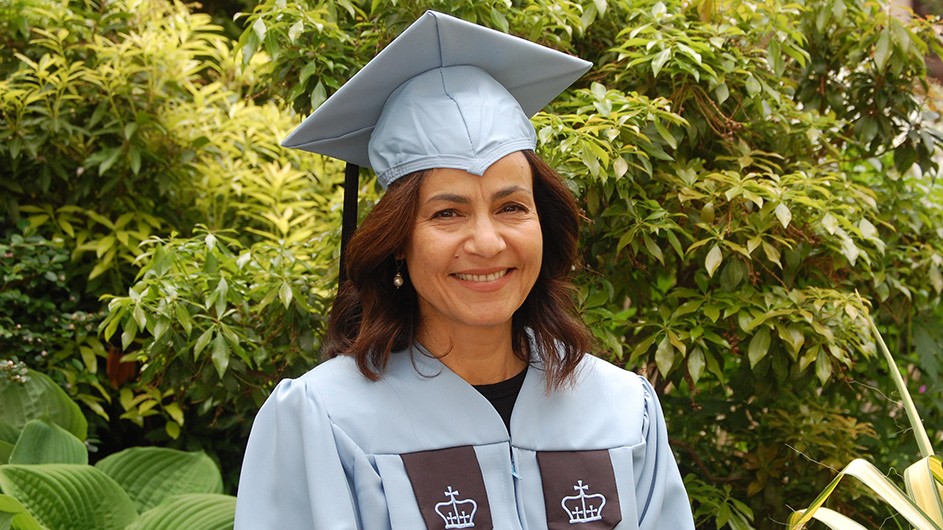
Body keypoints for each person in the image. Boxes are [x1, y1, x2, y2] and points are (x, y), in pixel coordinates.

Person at [234, 10, 695, 530]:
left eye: (511, 207)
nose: (486, 242)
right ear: (398, 243)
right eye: (447, 213)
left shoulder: (621, 410)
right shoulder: (328, 420)